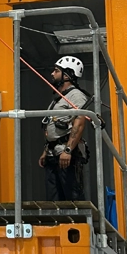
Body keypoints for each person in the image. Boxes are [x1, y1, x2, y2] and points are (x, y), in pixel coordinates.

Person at [38, 56, 89, 201]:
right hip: (53, 154)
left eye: (56, 71)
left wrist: (68, 150)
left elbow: (79, 123)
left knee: (72, 198)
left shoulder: (76, 96)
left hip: (65, 154)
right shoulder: (59, 98)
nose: (52, 74)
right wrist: (46, 150)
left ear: (66, 75)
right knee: (53, 200)